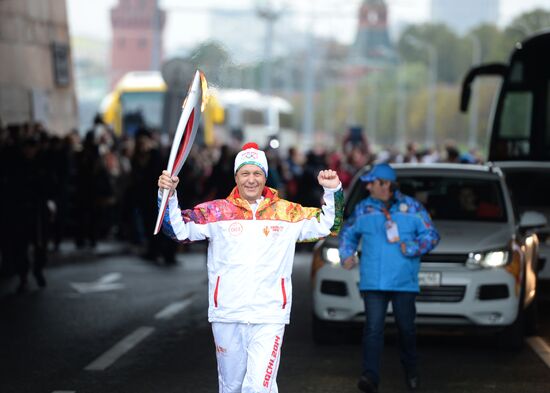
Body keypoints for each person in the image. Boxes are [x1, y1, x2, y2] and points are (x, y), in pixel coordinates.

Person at [157, 142, 344, 393]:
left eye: (257, 173)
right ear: (236, 176)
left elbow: (329, 225)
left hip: (269, 315)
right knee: (231, 387)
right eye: (245, 173)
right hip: (227, 313)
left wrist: (333, 191)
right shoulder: (216, 212)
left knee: (258, 387)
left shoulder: (287, 213)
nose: (251, 180)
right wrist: (167, 195)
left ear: (265, 177)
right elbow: (177, 229)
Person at [338, 163, 440, 393]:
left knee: (406, 329)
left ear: (385, 184)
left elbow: (432, 235)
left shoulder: (412, 208)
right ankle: (370, 377)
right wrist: (346, 255)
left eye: (372, 183)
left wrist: (412, 247)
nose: (369, 187)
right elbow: (348, 234)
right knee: (373, 329)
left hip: (404, 281)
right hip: (373, 281)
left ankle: (411, 370)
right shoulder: (364, 209)